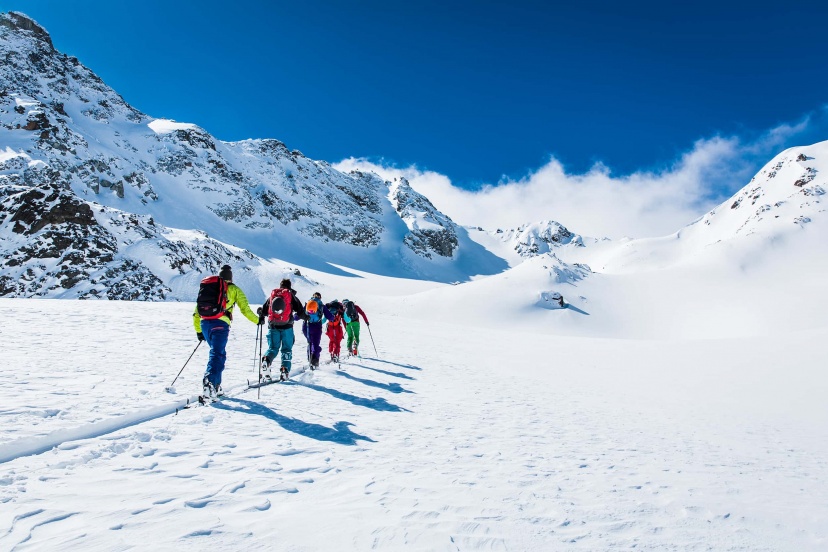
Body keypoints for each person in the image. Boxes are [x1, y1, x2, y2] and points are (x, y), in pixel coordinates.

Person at [193, 264, 259, 399]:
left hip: (205, 323)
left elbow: (196, 312)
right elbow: (245, 310)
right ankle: (210, 382)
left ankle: (216, 386)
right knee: (217, 354)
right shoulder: (234, 289)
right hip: (220, 324)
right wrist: (258, 320)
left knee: (218, 353)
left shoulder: (210, 288)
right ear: (231, 277)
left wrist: (199, 331)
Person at [258, 278, 307, 381]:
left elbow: (265, 310)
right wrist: (306, 317)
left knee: (273, 348)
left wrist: (261, 315)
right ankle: (284, 370)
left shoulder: (273, 295)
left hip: (273, 327)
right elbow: (300, 310)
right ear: (289, 286)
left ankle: (266, 360)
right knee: (286, 349)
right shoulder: (290, 295)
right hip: (287, 327)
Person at [301, 291, 334, 370]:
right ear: (320, 297)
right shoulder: (322, 305)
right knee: (315, 344)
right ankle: (315, 361)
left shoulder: (308, 304)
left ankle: (310, 359)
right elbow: (330, 317)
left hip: (306, 326)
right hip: (316, 327)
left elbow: (299, 315)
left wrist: (295, 317)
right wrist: (332, 317)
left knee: (310, 342)